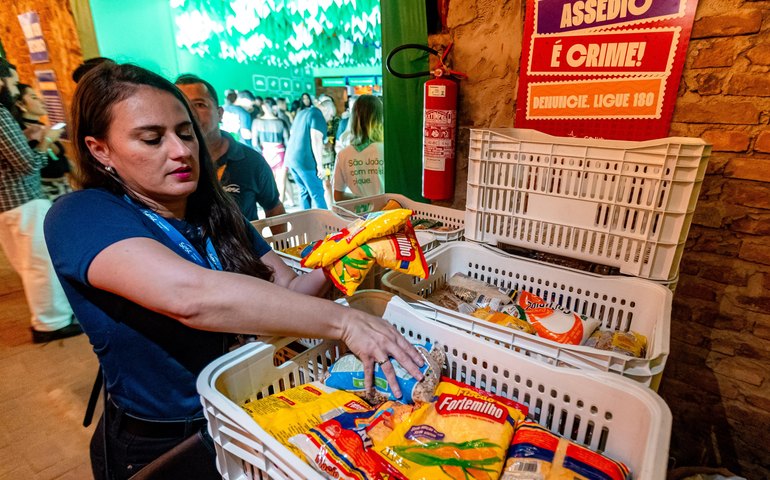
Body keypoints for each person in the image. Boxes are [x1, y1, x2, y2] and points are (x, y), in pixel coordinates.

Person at [45, 61, 424, 480]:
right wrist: (346, 322)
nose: (181, 150)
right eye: (152, 139)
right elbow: (190, 297)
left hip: (244, 415)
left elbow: (289, 295)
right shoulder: (81, 215)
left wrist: (351, 249)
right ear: (100, 150)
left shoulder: (216, 212)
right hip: (165, 440)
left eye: (185, 132)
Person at [0, 57, 79, 343]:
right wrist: (46, 143)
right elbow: (26, 164)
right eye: (10, 79)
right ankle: (51, 324)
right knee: (39, 264)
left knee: (30, 264)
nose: (13, 86)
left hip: (6, 205)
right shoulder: (1, 114)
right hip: (24, 199)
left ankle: (50, 319)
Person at [174, 74, 286, 228]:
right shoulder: (171, 161)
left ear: (219, 113)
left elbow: (274, 209)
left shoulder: (251, 161)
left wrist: (282, 250)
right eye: (181, 105)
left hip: (245, 250)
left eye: (199, 105)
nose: (190, 113)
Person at [14, 83, 72, 200]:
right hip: (46, 194)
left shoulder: (39, 126)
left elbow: (61, 159)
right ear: (20, 104)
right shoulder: (23, 132)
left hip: (63, 188)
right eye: (34, 97)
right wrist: (48, 139)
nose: (42, 101)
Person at [284, 95, 335, 210]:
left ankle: (306, 223)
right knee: (318, 193)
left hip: (292, 159)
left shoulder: (302, 112)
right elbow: (316, 140)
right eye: (331, 115)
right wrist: (320, 166)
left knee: (304, 192)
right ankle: (325, 225)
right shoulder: (318, 115)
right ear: (326, 109)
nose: (330, 119)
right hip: (305, 161)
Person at [333, 95, 385, 201]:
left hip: (358, 214)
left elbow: (338, 196)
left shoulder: (343, 154)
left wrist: (361, 199)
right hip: (388, 212)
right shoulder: (387, 150)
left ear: (354, 118)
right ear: (380, 118)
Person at [252, 97, 293, 206]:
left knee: (270, 183)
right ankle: (281, 207)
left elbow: (255, 143)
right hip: (280, 152)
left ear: (263, 107)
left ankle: (273, 207)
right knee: (281, 182)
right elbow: (288, 141)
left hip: (266, 153)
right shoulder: (280, 122)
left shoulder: (257, 122)